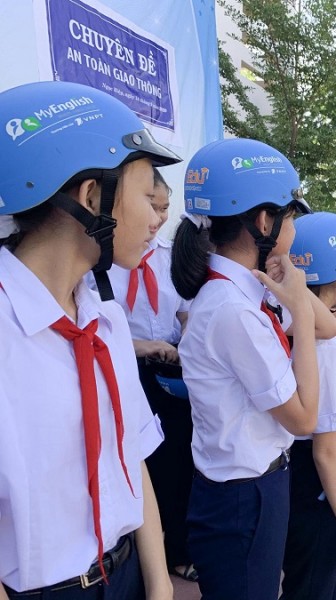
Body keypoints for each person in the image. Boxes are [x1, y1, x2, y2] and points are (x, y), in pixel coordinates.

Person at [0, 80, 181, 599]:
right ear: (92, 197)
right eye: (148, 196)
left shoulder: (104, 319)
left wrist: (159, 584)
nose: (157, 218)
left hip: (121, 575)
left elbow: (132, 456)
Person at [172, 138, 327, 600]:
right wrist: (298, 306)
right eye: (291, 217)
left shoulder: (239, 293)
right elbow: (303, 418)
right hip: (243, 497)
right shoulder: (232, 310)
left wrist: (296, 297)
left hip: (251, 489)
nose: (294, 229)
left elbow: (329, 329)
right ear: (264, 221)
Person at [96, 169, 196, 582]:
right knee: (140, 462)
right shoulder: (105, 261)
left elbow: (186, 310)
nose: (157, 218)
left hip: (172, 368)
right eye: (149, 205)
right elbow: (102, 328)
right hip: (130, 365)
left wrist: (185, 345)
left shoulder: (171, 255)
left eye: (163, 208)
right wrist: (144, 348)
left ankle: (173, 551)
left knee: (176, 461)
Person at [281, 212, 336, 599]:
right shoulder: (323, 348)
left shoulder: (301, 332)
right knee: (318, 584)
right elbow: (326, 452)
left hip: (307, 482)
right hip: (320, 489)